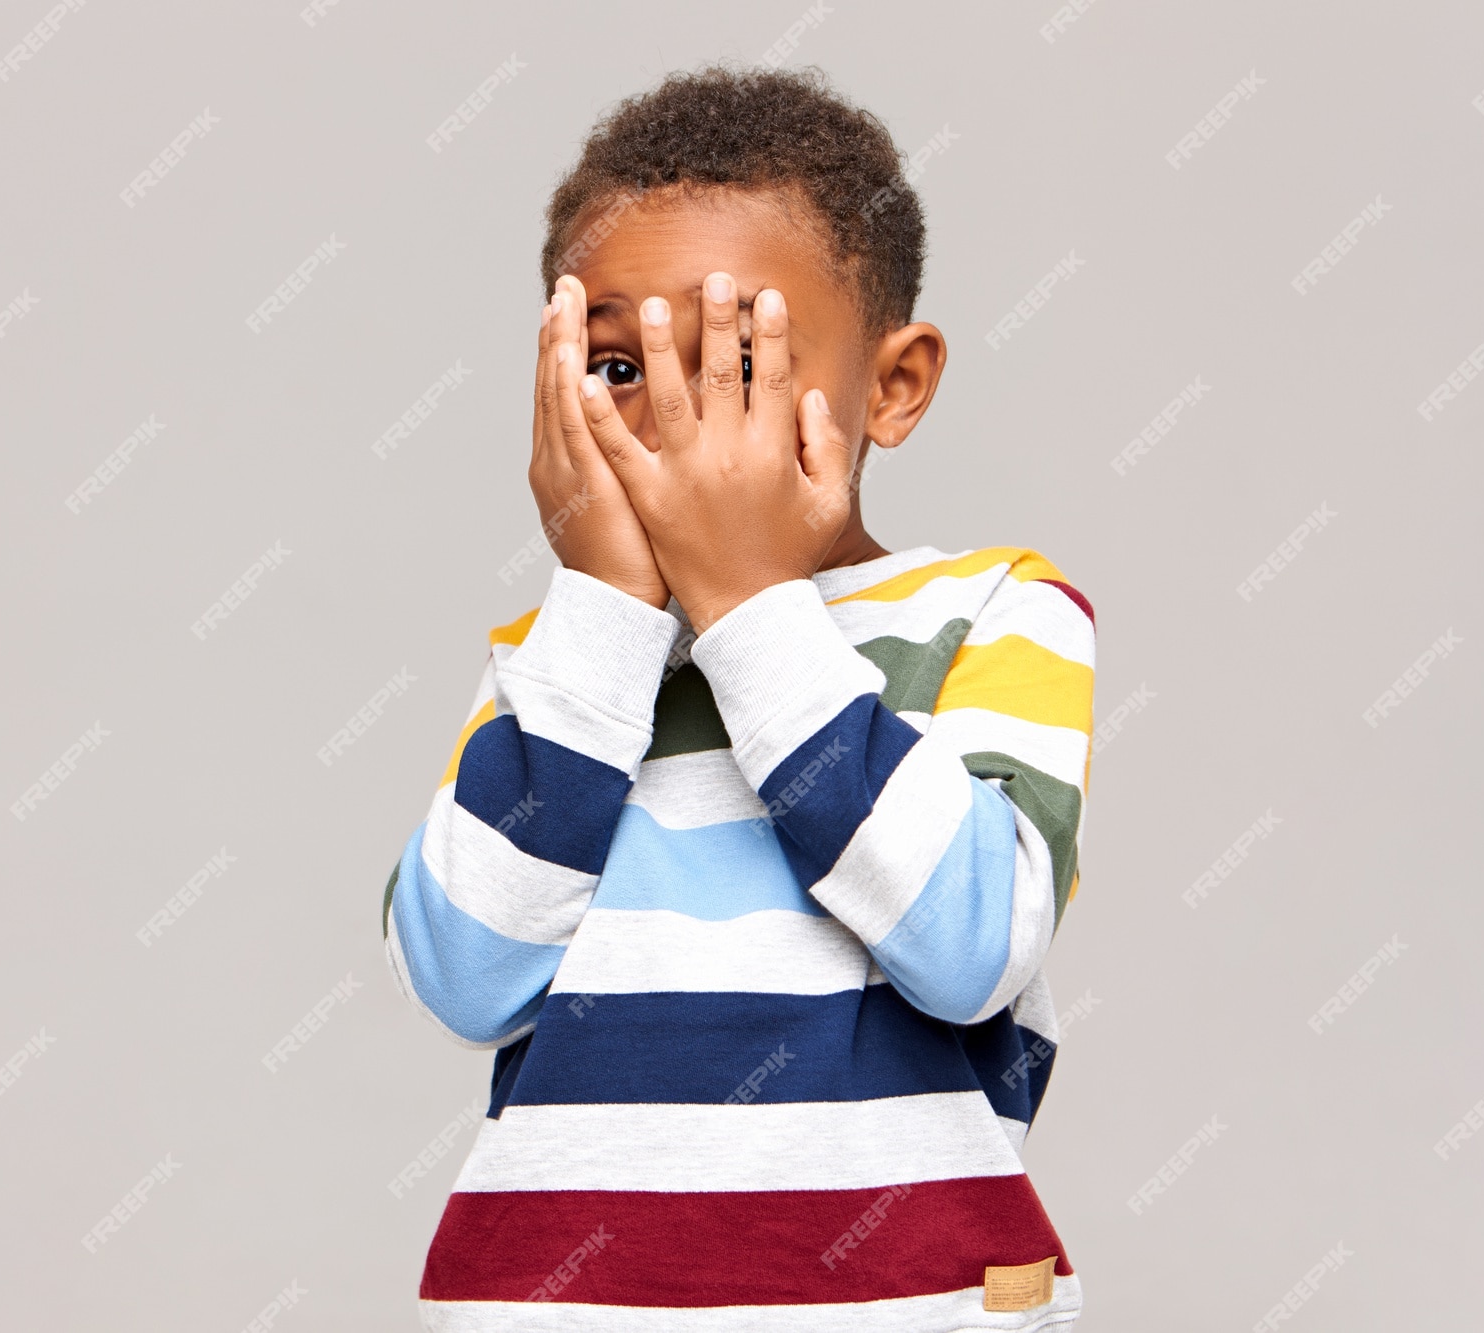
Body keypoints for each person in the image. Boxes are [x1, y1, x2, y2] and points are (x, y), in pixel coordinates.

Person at [382, 64, 1097, 1331]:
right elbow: (464, 974)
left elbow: (973, 948)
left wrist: (750, 611)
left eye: (734, 358)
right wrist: (602, 612)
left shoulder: (994, 611)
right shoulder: (561, 659)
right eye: (612, 362)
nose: (667, 407)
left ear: (892, 384)